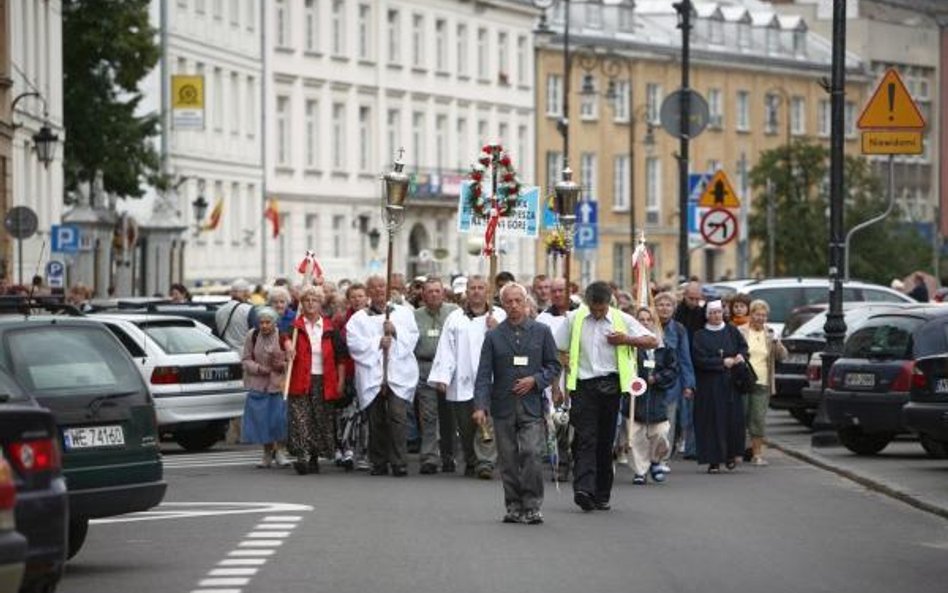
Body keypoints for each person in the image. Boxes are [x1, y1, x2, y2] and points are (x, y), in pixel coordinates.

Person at [555, 281, 658, 512]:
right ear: (587, 303)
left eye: (601, 309)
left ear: (609, 303)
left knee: (604, 441)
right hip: (583, 386)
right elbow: (558, 346)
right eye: (593, 308)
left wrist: (626, 340)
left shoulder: (622, 319)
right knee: (585, 439)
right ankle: (584, 489)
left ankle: (602, 493)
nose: (597, 313)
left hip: (611, 386)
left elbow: (653, 340)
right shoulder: (574, 319)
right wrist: (560, 379)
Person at [474, 283, 560, 525]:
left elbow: (553, 366)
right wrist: (480, 405)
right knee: (508, 459)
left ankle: (532, 505)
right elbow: (483, 374)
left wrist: (536, 380)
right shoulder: (493, 336)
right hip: (503, 406)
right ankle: (513, 505)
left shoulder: (541, 332)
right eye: (508, 302)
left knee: (532, 454)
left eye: (517, 301)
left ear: (526, 303)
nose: (513, 306)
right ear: (503, 305)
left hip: (532, 405)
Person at [428, 276, 504, 478]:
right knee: (466, 424)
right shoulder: (455, 318)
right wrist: (443, 376)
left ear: (488, 291)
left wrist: (498, 330)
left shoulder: (499, 316)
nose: (477, 291)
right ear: (467, 292)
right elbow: (446, 348)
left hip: (490, 379)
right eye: (473, 288)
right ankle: (471, 459)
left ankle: (485, 462)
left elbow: (511, 343)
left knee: (487, 421)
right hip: (462, 378)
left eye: (481, 288)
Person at [346, 275, 419, 477]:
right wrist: (378, 342)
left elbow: (413, 337)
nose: (379, 291)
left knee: (398, 417)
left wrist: (395, 332)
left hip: (397, 373)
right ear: (368, 292)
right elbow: (354, 344)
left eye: (382, 287)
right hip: (372, 374)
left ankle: (399, 462)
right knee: (376, 419)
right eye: (374, 288)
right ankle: (378, 461)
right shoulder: (359, 319)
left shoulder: (403, 314)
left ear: (387, 290)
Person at [285, 286, 347, 475]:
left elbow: (341, 358)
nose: (310, 303)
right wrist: (287, 344)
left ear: (320, 303)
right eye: (307, 300)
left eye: (314, 300)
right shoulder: (295, 327)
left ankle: (313, 456)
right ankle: (301, 457)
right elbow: (283, 338)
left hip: (324, 379)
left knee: (319, 419)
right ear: (302, 304)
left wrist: (341, 381)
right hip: (300, 379)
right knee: (300, 418)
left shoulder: (329, 328)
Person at [691, 300, 749, 473]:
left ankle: (731, 455)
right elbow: (699, 359)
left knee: (732, 421)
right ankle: (713, 460)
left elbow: (743, 348)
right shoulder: (699, 335)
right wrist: (722, 362)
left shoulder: (732, 331)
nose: (716, 316)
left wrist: (740, 356)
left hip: (731, 385)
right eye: (712, 313)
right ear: (707, 315)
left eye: (718, 312)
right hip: (710, 386)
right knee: (711, 422)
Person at [413, 277, 459, 474]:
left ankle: (449, 456)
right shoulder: (415, 315)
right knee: (429, 415)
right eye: (429, 291)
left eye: (437, 291)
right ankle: (429, 457)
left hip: (449, 370)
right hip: (425, 368)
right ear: (423, 295)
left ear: (443, 293)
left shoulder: (454, 313)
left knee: (449, 416)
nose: (433, 295)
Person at [627, 307, 678, 485]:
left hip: (657, 399)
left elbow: (672, 371)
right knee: (635, 438)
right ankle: (640, 471)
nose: (645, 323)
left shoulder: (664, 348)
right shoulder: (630, 348)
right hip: (635, 400)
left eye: (649, 319)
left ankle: (656, 460)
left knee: (661, 433)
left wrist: (657, 378)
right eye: (641, 319)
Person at [535, 277, 576, 482]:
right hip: (554, 377)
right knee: (557, 421)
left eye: (562, 290)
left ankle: (579, 460)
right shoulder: (543, 319)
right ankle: (561, 463)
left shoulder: (581, 314)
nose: (558, 294)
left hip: (578, 375)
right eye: (555, 291)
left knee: (577, 423)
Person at [738, 299, 787, 466]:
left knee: (758, 419)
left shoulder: (769, 333)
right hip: (744, 381)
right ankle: (737, 452)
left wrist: (777, 343)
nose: (760, 318)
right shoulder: (741, 331)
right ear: (750, 315)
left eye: (763, 315)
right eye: (757, 314)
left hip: (762, 381)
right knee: (741, 417)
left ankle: (757, 454)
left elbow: (783, 356)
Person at [240, 307, 290, 468]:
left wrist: (282, 364)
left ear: (274, 323)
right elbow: (246, 359)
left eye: (268, 322)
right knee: (262, 421)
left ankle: (281, 452)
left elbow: (291, 360)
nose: (264, 326)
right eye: (261, 322)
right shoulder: (252, 335)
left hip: (278, 385)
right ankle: (267, 453)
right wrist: (259, 369)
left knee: (279, 420)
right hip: (258, 385)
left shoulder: (282, 337)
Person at [653, 291, 695, 472]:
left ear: (674, 308)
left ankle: (662, 459)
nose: (664, 308)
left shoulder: (679, 329)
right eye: (660, 304)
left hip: (671, 384)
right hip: (648, 382)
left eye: (668, 305)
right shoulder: (646, 325)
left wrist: (689, 384)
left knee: (667, 423)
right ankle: (647, 457)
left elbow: (685, 358)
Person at [673, 281, 706, 460]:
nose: (694, 302)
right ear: (684, 296)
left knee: (693, 408)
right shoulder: (677, 313)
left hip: (697, 363)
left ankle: (691, 445)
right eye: (691, 298)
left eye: (697, 299)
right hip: (679, 363)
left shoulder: (702, 314)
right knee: (678, 408)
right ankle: (677, 438)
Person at [216, 279, 258, 350]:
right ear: (246, 293)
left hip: (227, 353)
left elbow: (216, 334)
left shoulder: (219, 310)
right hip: (245, 354)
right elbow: (256, 334)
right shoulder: (249, 310)